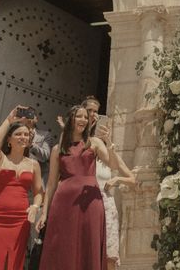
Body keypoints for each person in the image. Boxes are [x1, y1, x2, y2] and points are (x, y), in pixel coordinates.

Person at [36, 105, 112, 270]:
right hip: (64, 203)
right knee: (64, 247)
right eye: (79, 116)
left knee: (89, 242)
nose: (84, 120)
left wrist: (109, 143)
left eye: (86, 117)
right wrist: (44, 213)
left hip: (90, 202)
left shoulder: (94, 143)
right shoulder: (58, 149)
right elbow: (51, 184)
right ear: (71, 119)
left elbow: (112, 163)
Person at [0, 109, 44, 270]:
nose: (23, 137)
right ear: (9, 140)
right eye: (18, 134)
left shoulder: (34, 164)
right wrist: (8, 120)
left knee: (13, 264)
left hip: (20, 222)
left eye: (26, 135)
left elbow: (39, 192)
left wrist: (35, 206)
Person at [83, 95, 137, 269]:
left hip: (105, 205)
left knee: (109, 255)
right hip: (85, 204)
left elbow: (132, 179)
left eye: (96, 112)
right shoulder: (80, 146)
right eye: (88, 112)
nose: (93, 115)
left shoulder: (108, 149)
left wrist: (116, 179)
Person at [28, 111, 54, 185]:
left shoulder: (45, 135)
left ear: (36, 119)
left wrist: (31, 145)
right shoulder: (15, 134)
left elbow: (45, 156)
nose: (28, 118)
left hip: (38, 180)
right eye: (25, 115)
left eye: (30, 115)